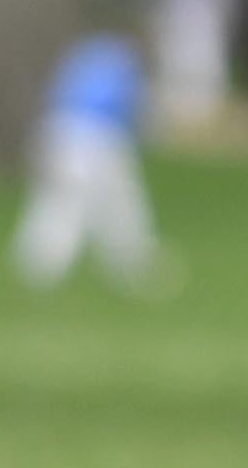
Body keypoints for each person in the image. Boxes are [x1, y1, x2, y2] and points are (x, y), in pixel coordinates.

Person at [10, 32, 160, 292]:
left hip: (56, 133)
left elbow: (53, 96)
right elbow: (133, 111)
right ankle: (46, 266)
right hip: (96, 139)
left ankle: (39, 263)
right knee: (94, 204)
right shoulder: (123, 65)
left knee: (64, 201)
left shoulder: (81, 59)